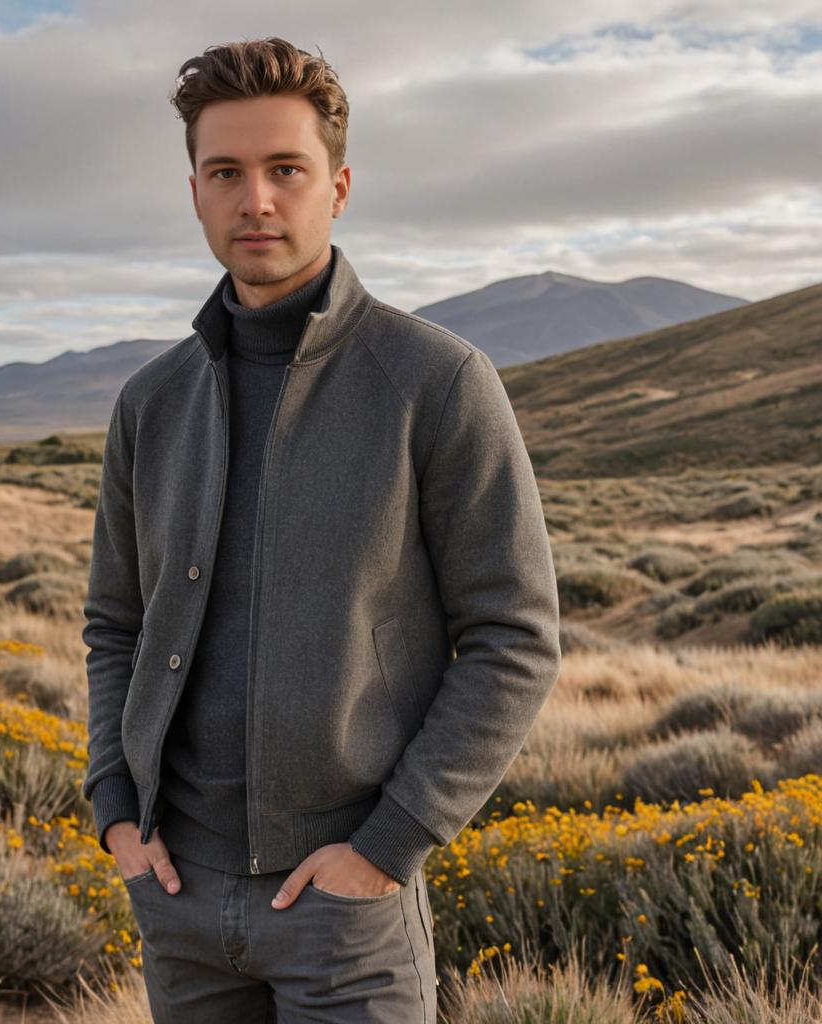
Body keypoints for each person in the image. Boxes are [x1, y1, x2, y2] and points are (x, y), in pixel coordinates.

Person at [81, 36, 561, 1024]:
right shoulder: (152, 402)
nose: (256, 199)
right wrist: (115, 811)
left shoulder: (432, 382)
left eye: (284, 169)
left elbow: (515, 636)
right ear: (196, 192)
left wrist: (393, 842)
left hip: (345, 909)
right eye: (227, 172)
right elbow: (113, 625)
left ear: (336, 187)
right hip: (176, 898)